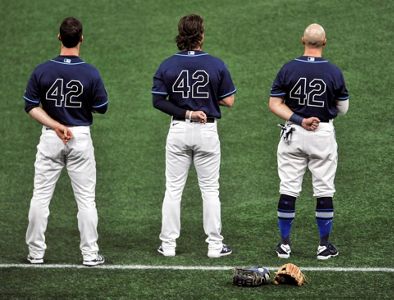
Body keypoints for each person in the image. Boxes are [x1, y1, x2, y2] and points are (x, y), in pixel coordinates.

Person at [23, 17, 108, 266]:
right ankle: (90, 254)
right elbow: (101, 107)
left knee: (40, 197)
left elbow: (30, 106)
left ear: (59, 37)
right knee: (86, 200)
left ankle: (35, 254)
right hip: (79, 137)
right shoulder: (90, 72)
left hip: (51, 136)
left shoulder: (42, 70)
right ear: (81, 38)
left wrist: (56, 125)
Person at [152, 14, 236, 258]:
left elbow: (158, 101)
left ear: (181, 35)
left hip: (178, 129)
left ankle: (168, 245)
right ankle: (214, 245)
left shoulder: (167, 64)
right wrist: (207, 99)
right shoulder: (215, 64)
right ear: (201, 35)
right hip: (207, 131)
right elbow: (229, 100)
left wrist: (187, 111)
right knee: (210, 190)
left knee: (173, 189)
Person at [268, 23, 349, 260]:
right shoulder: (334, 72)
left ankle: (284, 245)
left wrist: (299, 119)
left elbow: (274, 104)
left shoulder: (288, 68)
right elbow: (343, 108)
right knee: (324, 189)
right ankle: (324, 246)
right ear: (324, 42)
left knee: (288, 188)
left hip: (294, 132)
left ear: (302, 39)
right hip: (322, 134)